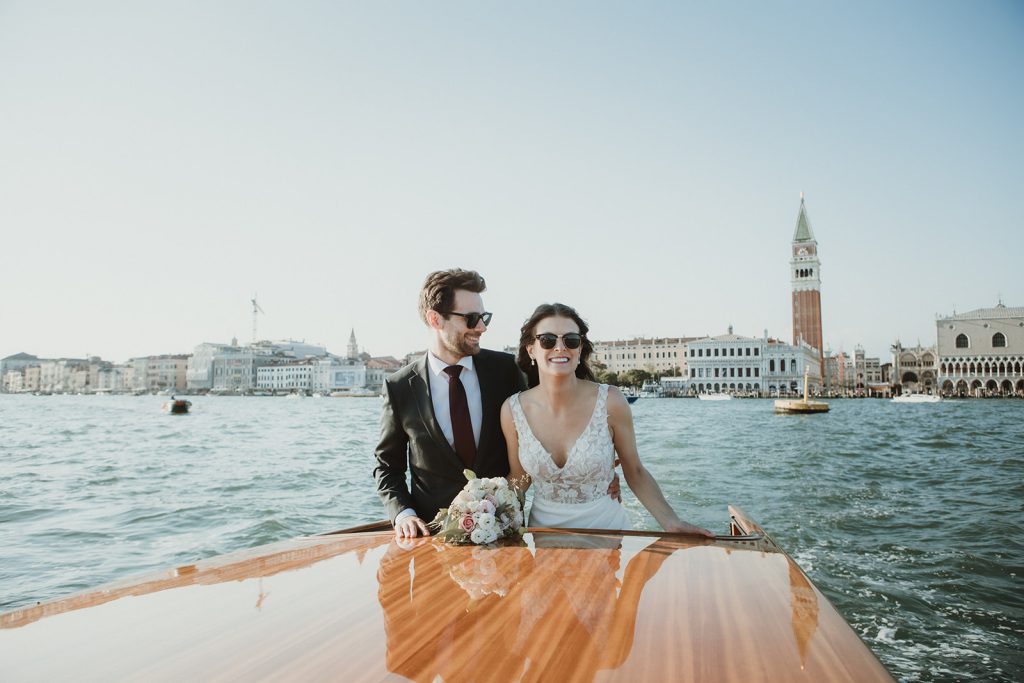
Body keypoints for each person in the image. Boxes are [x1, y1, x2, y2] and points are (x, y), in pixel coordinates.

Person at [500, 303, 712, 536]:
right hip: (543, 536)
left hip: (607, 532)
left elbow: (635, 471)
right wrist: (485, 510)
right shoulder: (512, 410)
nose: (560, 347)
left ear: (580, 349)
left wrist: (671, 522)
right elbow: (519, 478)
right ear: (531, 349)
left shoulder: (611, 401)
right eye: (548, 340)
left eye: (571, 340)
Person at [373, 268, 526, 538]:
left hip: (503, 537)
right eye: (471, 319)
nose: (482, 327)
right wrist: (403, 514)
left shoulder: (506, 371)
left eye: (484, 317)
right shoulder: (399, 387)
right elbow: (388, 467)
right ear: (435, 319)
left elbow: (544, 424)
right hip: (431, 540)